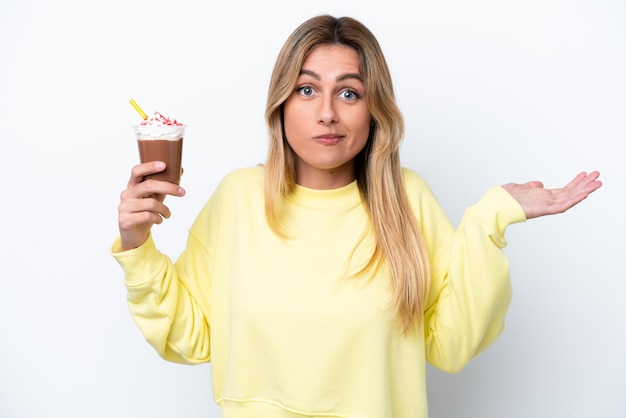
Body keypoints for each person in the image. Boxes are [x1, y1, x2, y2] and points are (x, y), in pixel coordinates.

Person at [111, 15, 602, 418]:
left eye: (349, 93)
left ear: (374, 111)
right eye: (306, 91)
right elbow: (189, 338)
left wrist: (488, 221)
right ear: (281, 106)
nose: (327, 113)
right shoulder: (239, 198)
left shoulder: (407, 200)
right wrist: (137, 245)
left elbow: (452, 345)